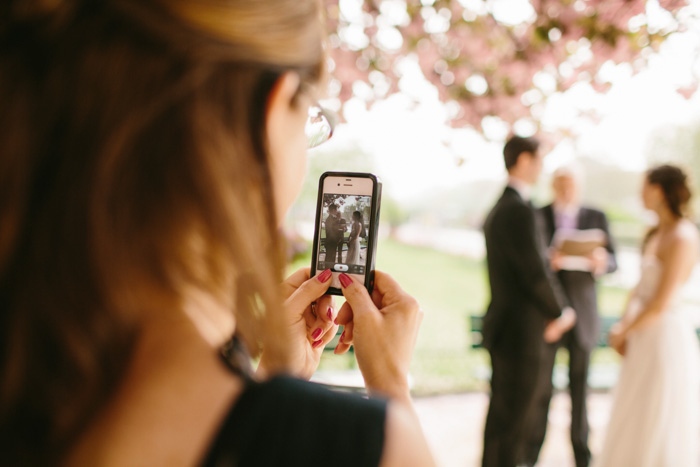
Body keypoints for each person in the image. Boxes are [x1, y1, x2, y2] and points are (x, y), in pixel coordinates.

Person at [0, 1, 435, 466]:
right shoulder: (361, 447)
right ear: (270, 113)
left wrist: (273, 379)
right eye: (310, 118)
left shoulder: (30, 360)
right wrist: (390, 387)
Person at [593, 164, 700, 467]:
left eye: (644, 186)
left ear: (658, 190)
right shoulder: (656, 233)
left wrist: (625, 331)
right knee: (634, 409)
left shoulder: (683, 236)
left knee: (658, 411)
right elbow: (639, 289)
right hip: (642, 335)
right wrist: (623, 325)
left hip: (663, 337)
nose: (640, 193)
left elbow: (661, 302)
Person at [481, 135, 576, 467]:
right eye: (538, 160)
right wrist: (561, 311)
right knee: (516, 424)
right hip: (522, 333)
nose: (541, 168)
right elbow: (535, 273)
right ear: (523, 160)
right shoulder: (518, 210)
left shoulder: (501, 207)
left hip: (506, 328)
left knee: (502, 421)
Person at [523, 166, 618, 467]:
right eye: (561, 183)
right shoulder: (538, 214)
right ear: (553, 186)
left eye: (571, 184)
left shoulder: (596, 216)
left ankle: (582, 458)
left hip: (584, 316)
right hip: (549, 316)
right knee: (541, 392)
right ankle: (530, 456)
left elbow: (614, 261)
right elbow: (530, 263)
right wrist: (548, 261)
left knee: (580, 393)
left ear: (580, 186)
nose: (566, 189)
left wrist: (601, 261)